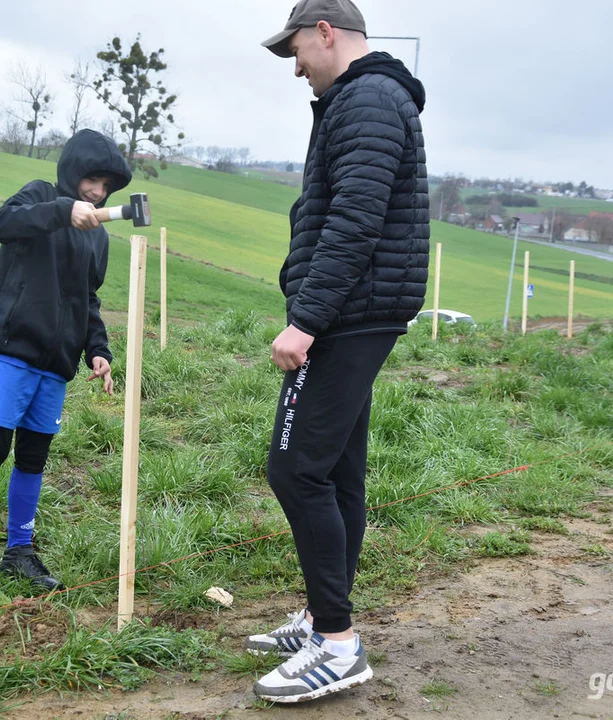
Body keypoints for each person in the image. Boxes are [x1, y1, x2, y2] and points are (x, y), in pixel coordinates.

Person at [249, 0, 429, 703]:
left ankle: (335, 641)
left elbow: (354, 220)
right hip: (359, 310)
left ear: (325, 33)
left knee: (294, 470)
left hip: (348, 313)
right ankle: (323, 619)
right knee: (336, 472)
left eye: (295, 49)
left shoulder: (368, 100)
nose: (294, 66)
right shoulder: (363, 99)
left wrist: (306, 320)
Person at [0, 129, 131, 599]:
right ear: (74, 171)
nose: (98, 192)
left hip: (55, 363)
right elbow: (1, 223)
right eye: (92, 181)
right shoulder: (40, 196)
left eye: (106, 186)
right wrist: (63, 211)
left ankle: (17, 553)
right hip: (12, 348)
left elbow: (88, 299)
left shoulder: (98, 238)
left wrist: (98, 350)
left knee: (34, 457)